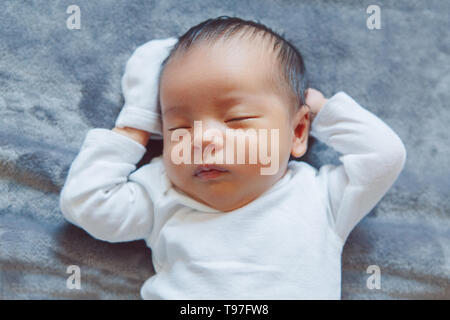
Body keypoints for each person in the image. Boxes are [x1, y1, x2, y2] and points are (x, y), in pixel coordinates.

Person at [59, 16, 406, 299]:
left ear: (298, 133)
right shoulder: (164, 191)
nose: (203, 139)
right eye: (180, 127)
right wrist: (134, 125)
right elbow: (87, 203)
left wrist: (320, 108)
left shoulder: (320, 197)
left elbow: (384, 155)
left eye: (236, 120)